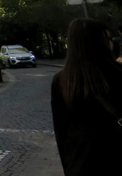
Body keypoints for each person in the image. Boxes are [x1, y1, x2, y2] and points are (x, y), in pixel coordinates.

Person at [51, 18, 122, 175]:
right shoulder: (116, 73)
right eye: (108, 38)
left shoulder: (63, 80)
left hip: (82, 163)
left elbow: (61, 131)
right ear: (102, 42)